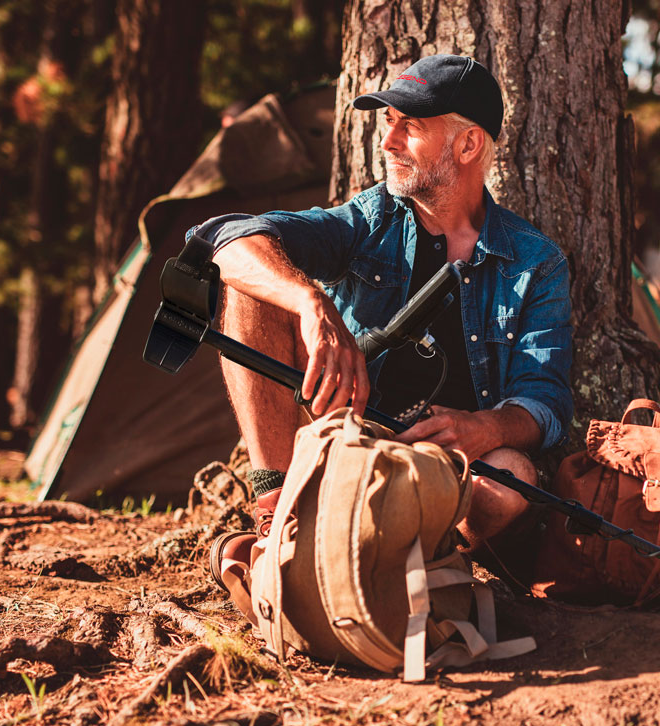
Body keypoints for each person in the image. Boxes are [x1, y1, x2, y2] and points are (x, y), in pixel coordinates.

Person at [191, 54, 573, 579]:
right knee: (256, 288)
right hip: (341, 444)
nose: (387, 141)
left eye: (409, 126)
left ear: (468, 145)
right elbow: (226, 238)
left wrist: (485, 427)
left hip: (444, 472)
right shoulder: (369, 219)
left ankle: (412, 564)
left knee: (510, 481)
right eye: (387, 122)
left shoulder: (535, 261)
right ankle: (278, 521)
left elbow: (545, 401)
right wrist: (311, 303)